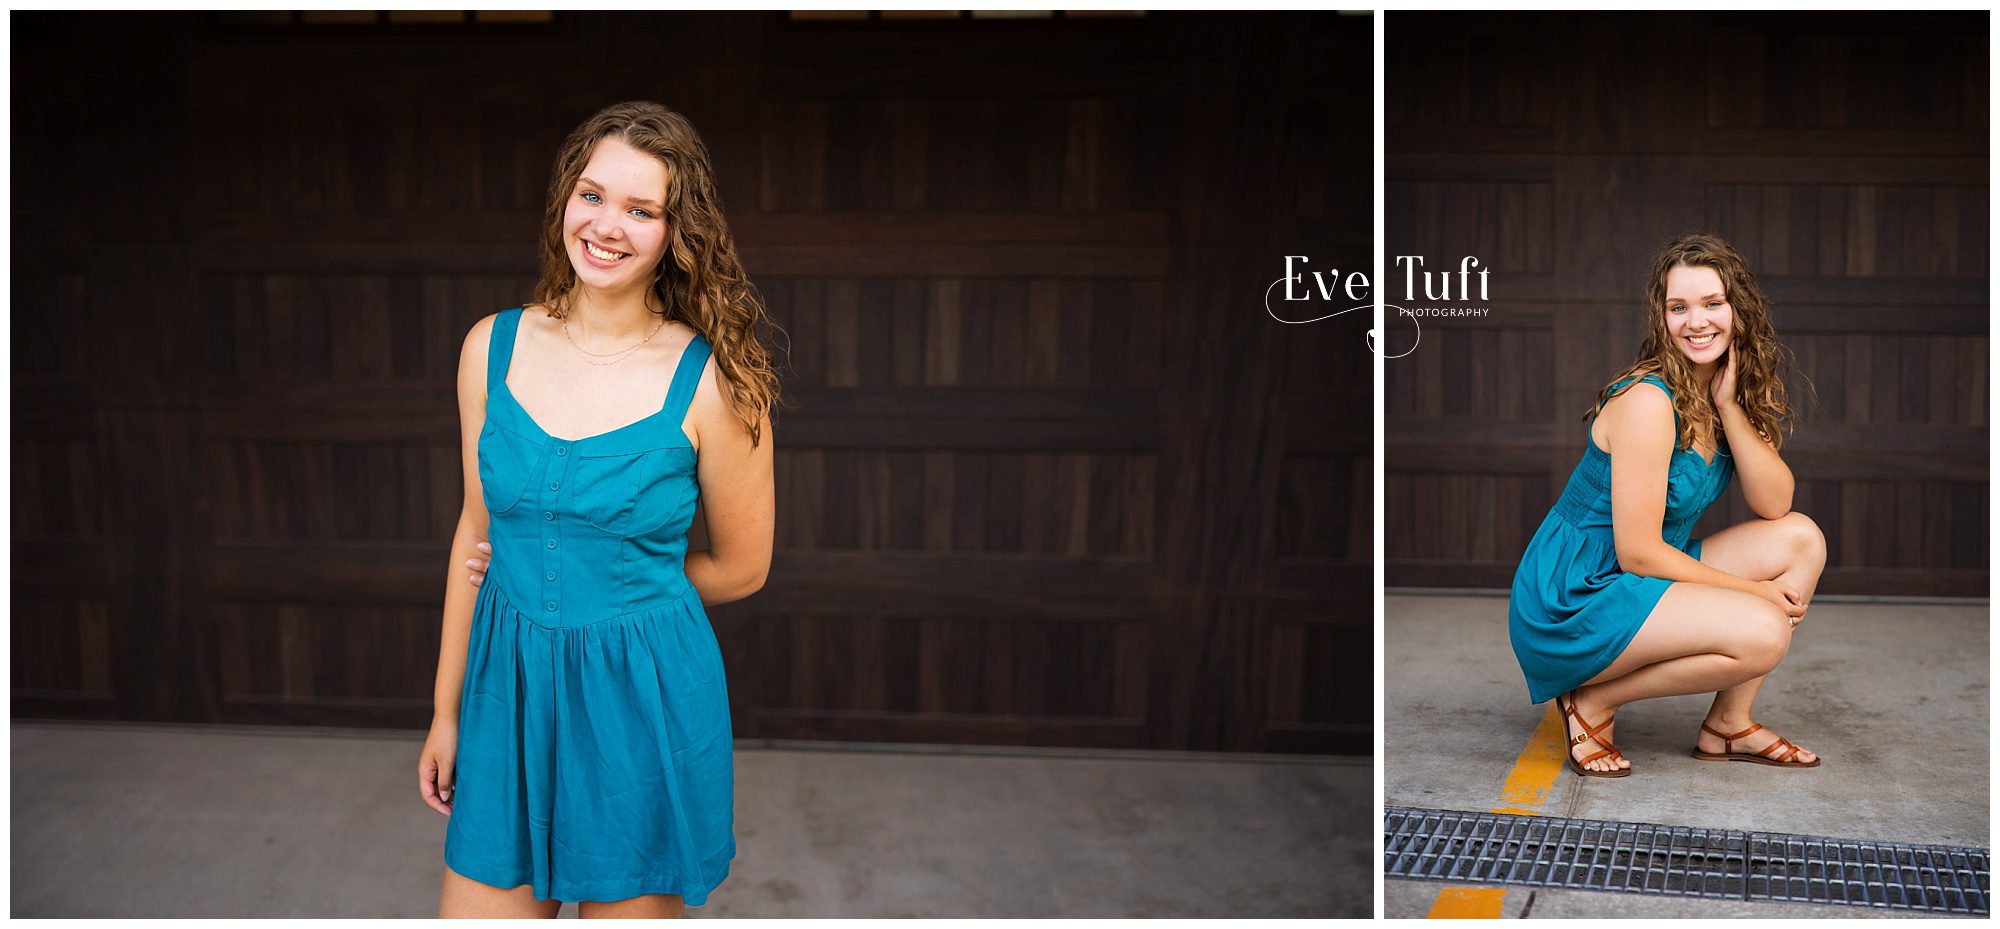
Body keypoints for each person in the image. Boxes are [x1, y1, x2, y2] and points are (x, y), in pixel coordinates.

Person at [417, 101, 779, 917]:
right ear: (564, 204)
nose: (608, 225)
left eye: (641, 209)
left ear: (676, 232)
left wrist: (614, 586)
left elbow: (743, 566)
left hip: (638, 705)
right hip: (505, 697)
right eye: (593, 195)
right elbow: (476, 535)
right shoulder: (490, 347)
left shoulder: (716, 381)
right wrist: (445, 713)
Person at [1508, 232, 1825, 778]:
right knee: (1764, 630)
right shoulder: (1648, 402)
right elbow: (1638, 555)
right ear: (1662, 317)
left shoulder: (1725, 391)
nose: (1696, 321)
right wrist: (1757, 593)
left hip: (1641, 574)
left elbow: (1776, 503)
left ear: (1738, 311)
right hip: (1577, 592)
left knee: (1800, 537)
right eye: (1679, 307)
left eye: (1712, 303)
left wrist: (1728, 405)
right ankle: (1591, 703)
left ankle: (1729, 724)